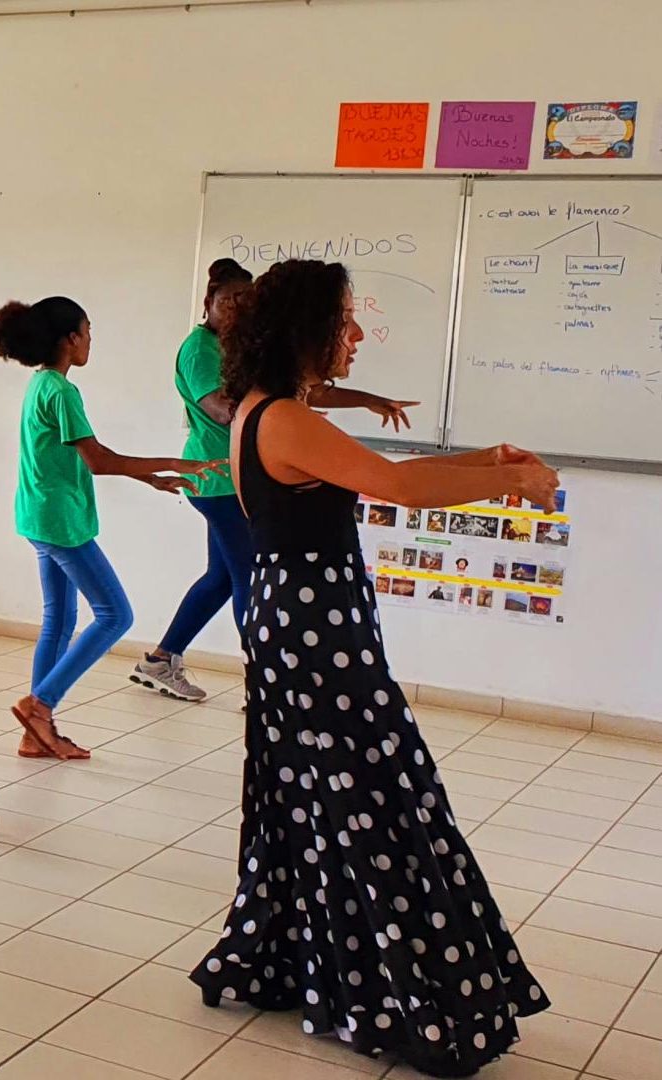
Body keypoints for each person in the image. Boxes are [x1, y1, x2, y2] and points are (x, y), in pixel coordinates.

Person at [190, 259, 554, 1077]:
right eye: (344, 318)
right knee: (370, 800)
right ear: (306, 328)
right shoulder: (282, 417)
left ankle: (316, 966)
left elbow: (389, 475)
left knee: (322, 798)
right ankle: (400, 994)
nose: (355, 335)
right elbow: (395, 485)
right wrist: (512, 478)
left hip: (305, 622)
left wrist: (487, 458)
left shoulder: (270, 409)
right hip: (313, 632)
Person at [133, 258, 417, 702]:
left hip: (231, 480)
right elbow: (222, 410)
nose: (236, 307)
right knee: (251, 581)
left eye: (244, 300)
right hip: (218, 480)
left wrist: (367, 400)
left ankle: (160, 659)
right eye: (228, 300)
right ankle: (262, 683)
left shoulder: (242, 351)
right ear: (208, 302)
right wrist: (285, 420)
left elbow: (304, 389)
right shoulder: (201, 349)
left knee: (221, 577)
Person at [0, 296, 223, 759]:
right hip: (61, 522)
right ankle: (40, 706)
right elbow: (98, 460)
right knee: (115, 615)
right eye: (88, 330)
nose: (91, 340)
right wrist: (174, 462)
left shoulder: (42, 384)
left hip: (39, 515)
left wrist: (151, 477)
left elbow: (87, 457)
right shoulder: (62, 392)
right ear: (70, 339)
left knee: (59, 620)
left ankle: (36, 732)